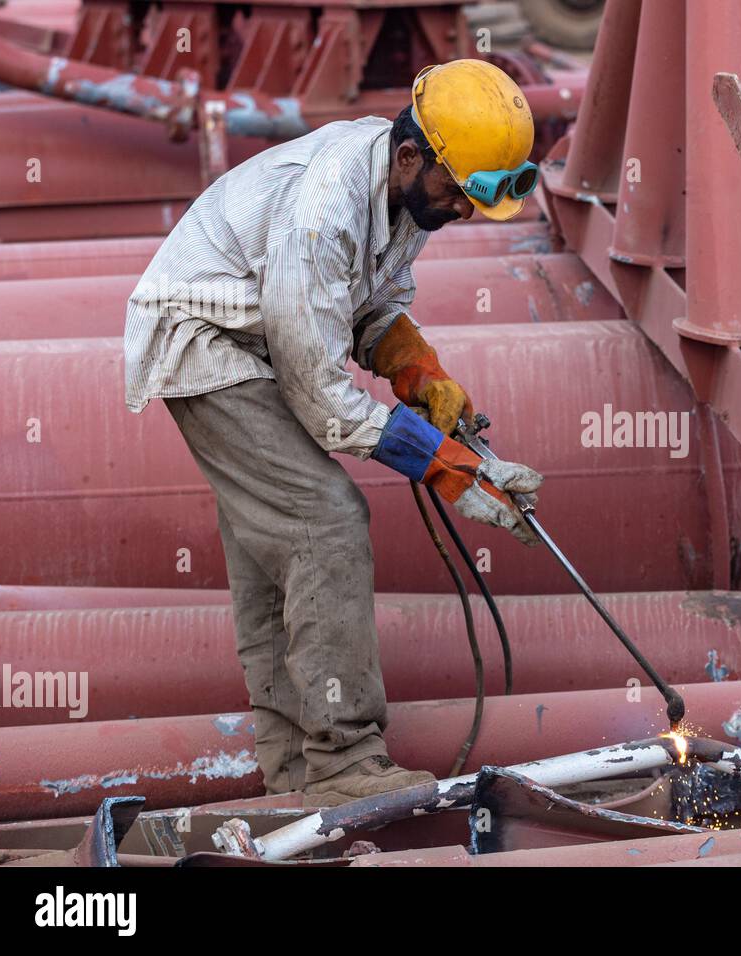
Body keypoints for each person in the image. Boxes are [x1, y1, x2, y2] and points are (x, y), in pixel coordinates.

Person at [123, 59, 543, 806]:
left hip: (259, 341)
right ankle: (346, 760)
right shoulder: (326, 210)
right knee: (326, 524)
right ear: (411, 157)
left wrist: (419, 370)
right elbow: (321, 395)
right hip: (208, 341)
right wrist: (443, 467)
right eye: (456, 193)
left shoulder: (407, 194)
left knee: (274, 549)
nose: (462, 212)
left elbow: (369, 307)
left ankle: (292, 772)